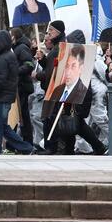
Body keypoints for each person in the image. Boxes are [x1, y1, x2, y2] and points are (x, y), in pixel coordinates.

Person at [0, 30, 34, 155]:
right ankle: (26, 148)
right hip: (5, 96)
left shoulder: (4, 58)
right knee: (3, 127)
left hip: (1, 97)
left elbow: (0, 80)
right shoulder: (8, 55)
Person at [36, 20, 66, 154]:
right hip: (56, 89)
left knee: (50, 119)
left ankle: (51, 147)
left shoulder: (57, 50)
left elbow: (49, 74)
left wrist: (36, 75)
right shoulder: (58, 48)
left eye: (51, 31)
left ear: (58, 32)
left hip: (54, 90)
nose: (48, 34)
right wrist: (43, 60)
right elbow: (50, 68)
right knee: (50, 118)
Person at [10, 28, 35, 145]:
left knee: (23, 116)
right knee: (22, 116)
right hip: (18, 85)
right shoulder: (16, 48)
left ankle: (26, 141)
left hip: (22, 85)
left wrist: (15, 71)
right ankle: (24, 141)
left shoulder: (22, 48)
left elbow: (29, 64)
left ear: (15, 36)